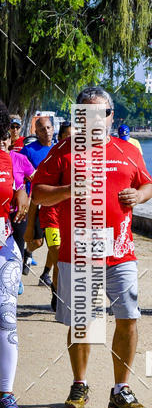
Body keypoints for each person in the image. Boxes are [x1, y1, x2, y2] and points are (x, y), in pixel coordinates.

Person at [31, 87, 152, 408]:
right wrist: (68, 189)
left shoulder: (127, 150)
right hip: (80, 252)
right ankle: (80, 383)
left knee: (128, 317)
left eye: (102, 114)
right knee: (83, 322)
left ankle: (121, 390)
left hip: (121, 251)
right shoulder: (64, 151)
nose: (95, 121)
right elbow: (38, 193)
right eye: (86, 115)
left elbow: (147, 184)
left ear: (111, 117)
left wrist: (139, 196)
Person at [0, 102, 29, 408]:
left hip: (4, 247)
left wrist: (22, 193)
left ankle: (5, 395)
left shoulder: (10, 159)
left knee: (7, 320)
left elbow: (21, 185)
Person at [38, 122, 72, 311]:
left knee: (67, 261)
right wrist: (31, 226)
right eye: (68, 136)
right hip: (51, 217)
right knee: (59, 256)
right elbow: (36, 192)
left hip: (70, 218)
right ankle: (58, 292)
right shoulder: (53, 157)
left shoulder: (82, 158)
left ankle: (58, 288)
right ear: (60, 138)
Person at [21, 115, 54, 280]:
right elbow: (18, 172)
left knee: (55, 244)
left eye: (48, 128)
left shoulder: (58, 148)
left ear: (53, 129)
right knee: (37, 242)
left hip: (54, 203)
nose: (46, 132)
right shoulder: (28, 150)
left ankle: (47, 275)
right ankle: (28, 252)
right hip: (35, 202)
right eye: (42, 129)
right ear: (36, 132)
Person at [1, 134, 34, 296]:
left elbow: (35, 179)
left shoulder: (20, 159)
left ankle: (16, 279)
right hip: (2, 215)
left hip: (17, 214)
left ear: (10, 141)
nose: (2, 141)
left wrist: (27, 197)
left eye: (5, 138)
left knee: (17, 249)